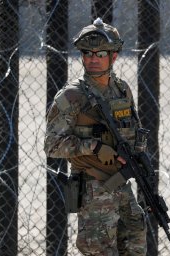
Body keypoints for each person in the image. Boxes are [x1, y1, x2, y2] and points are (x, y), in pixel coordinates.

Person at [44, 18, 147, 255]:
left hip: (122, 184)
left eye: (100, 53)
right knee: (98, 249)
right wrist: (95, 147)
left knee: (136, 242)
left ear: (113, 57)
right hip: (93, 186)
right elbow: (52, 146)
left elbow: (135, 130)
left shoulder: (121, 89)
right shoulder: (71, 95)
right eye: (87, 53)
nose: (92, 58)